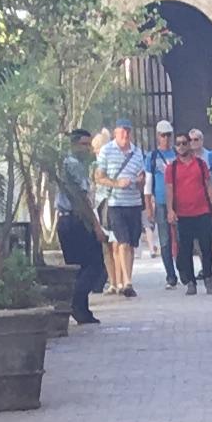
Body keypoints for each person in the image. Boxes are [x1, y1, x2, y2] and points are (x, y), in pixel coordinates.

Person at [54, 131, 108, 322]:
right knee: (94, 265)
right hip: (76, 220)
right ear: (74, 145)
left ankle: (82, 310)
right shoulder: (73, 165)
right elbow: (82, 200)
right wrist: (96, 226)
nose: (87, 149)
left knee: (79, 267)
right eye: (84, 144)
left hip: (66, 220)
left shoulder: (65, 163)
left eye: (89, 145)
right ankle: (74, 302)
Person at [95, 119, 149, 295]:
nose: (125, 135)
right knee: (122, 242)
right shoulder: (106, 151)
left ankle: (126, 279)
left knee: (131, 244)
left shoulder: (137, 152)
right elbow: (98, 177)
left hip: (134, 202)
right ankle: (127, 282)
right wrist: (116, 183)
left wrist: (140, 181)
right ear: (116, 133)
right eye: (122, 131)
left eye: (128, 131)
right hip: (115, 203)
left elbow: (142, 177)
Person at [164, 127, 212, 292]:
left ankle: (208, 278)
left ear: (189, 145)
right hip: (183, 214)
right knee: (185, 250)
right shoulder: (172, 168)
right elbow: (169, 190)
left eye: (184, 143)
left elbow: (208, 186)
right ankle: (191, 282)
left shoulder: (200, 164)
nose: (181, 146)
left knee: (206, 248)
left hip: (202, 211)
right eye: (178, 144)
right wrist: (170, 210)